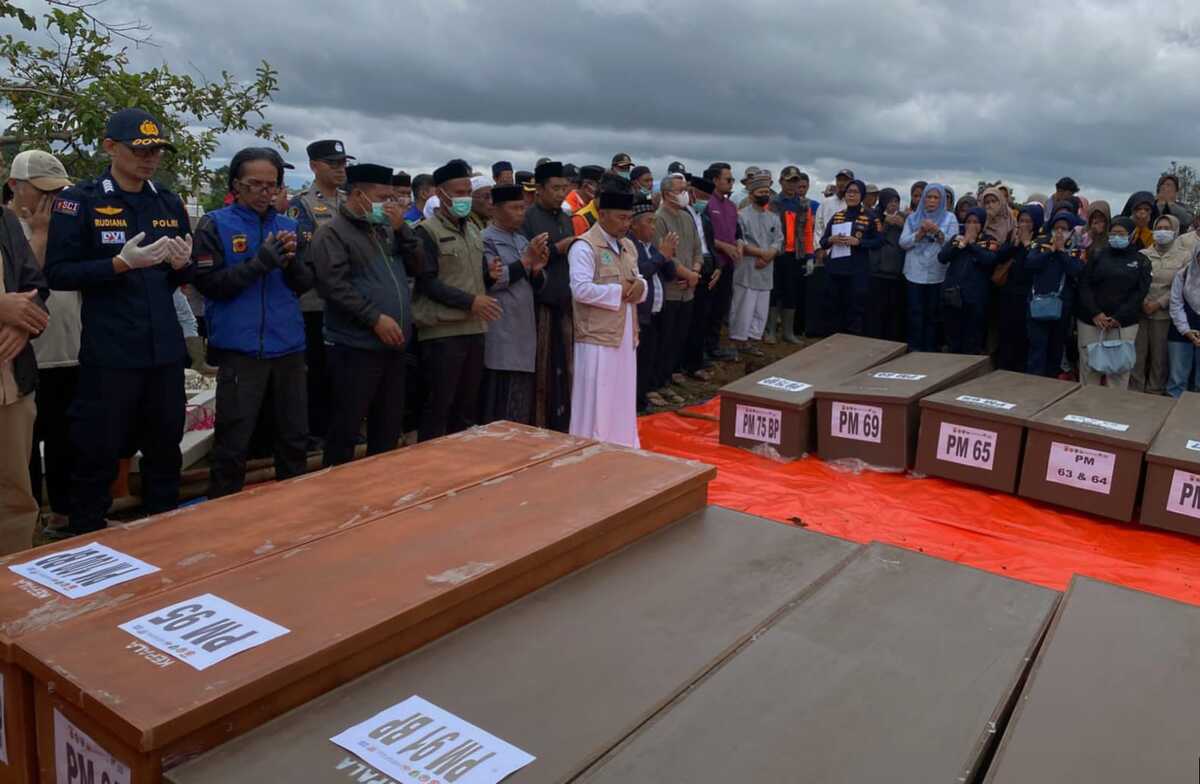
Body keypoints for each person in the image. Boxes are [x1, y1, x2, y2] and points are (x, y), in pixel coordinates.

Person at [45, 107, 193, 537]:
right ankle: (86, 537)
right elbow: (58, 272)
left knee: (166, 450)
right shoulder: (81, 200)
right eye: (140, 149)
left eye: (156, 151)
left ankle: (165, 536)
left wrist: (184, 267)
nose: (149, 158)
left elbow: (182, 278)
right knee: (98, 452)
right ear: (110, 147)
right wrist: (117, 265)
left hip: (164, 351)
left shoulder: (167, 201)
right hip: (110, 354)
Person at [191, 148, 311, 497]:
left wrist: (290, 264)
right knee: (234, 441)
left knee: (294, 437)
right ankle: (223, 512)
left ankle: (296, 508)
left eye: (271, 186)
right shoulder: (215, 224)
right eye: (254, 184)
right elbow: (210, 285)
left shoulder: (289, 226)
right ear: (236, 186)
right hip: (241, 349)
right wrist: (260, 263)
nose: (264, 192)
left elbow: (304, 285)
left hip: (288, 346)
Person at [311, 163, 418, 465]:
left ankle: (379, 494)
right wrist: (374, 318)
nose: (390, 204)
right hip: (354, 348)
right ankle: (340, 496)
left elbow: (420, 268)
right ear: (358, 195)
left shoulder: (386, 230)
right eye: (383, 197)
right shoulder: (332, 233)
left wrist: (403, 231)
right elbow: (334, 287)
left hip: (393, 347)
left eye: (392, 198)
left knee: (387, 428)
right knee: (346, 427)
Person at [9, 151, 76, 536]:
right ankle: (27, 523)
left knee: (67, 438)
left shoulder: (66, 224)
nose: (51, 200)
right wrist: (40, 235)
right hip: (26, 355)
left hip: (69, 348)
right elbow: (24, 286)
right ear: (16, 187)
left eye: (58, 191)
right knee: (25, 448)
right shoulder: (10, 229)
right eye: (42, 191)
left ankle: (63, 514)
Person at [409, 160, 500, 440]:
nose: (463, 197)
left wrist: (490, 277)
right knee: (439, 407)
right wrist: (470, 301)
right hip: (442, 333)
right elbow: (427, 282)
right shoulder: (426, 232)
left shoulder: (472, 229)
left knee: (466, 408)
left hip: (474, 329)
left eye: (466, 192)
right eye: (457, 191)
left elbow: (469, 275)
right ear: (440, 193)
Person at [567, 190, 645, 447]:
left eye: (629, 218)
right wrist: (618, 291)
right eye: (621, 218)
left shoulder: (628, 245)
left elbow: (638, 279)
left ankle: (622, 445)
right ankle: (590, 448)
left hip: (624, 333)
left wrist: (639, 288)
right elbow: (580, 290)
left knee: (621, 396)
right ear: (602, 215)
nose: (626, 224)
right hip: (596, 337)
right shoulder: (584, 246)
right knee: (596, 401)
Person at [290, 139, 351, 450]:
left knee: (345, 371)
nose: (341, 169)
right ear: (314, 166)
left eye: (343, 163)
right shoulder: (301, 205)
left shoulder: (350, 202)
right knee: (317, 370)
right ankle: (317, 431)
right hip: (314, 303)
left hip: (349, 301)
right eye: (333, 164)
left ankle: (343, 427)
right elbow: (301, 257)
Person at [0, 174, 48, 553]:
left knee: (15, 496)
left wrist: (24, 326)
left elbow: (36, 287)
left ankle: (14, 596)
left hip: (11, 385)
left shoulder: (4, 222)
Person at [480, 184, 549, 424]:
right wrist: (527, 260)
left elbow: (535, 283)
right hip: (501, 331)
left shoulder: (521, 239)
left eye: (523, 207)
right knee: (499, 404)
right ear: (496, 209)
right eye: (515, 208)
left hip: (524, 332)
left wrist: (537, 271)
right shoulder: (486, 239)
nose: (521, 213)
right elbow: (495, 280)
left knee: (520, 405)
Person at [521, 160, 576, 431]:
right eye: (555, 188)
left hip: (565, 302)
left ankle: (563, 423)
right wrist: (557, 249)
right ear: (539, 189)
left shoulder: (565, 217)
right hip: (539, 305)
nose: (560, 193)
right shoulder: (528, 218)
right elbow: (527, 260)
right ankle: (539, 426)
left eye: (564, 187)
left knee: (565, 367)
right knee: (542, 370)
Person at [1075, 216, 1152, 388]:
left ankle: (1112, 410)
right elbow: (1085, 285)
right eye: (1113, 233)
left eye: (1121, 233)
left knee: (1118, 372)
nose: (1117, 236)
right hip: (1092, 322)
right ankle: (1084, 407)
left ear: (1131, 235)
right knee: (1089, 370)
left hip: (1124, 324)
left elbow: (1140, 292)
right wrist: (1095, 313)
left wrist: (1119, 317)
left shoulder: (1141, 261)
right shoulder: (1097, 255)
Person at [653, 174, 702, 389]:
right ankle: (659, 380)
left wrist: (694, 272)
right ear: (666, 194)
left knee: (680, 336)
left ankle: (672, 373)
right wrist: (687, 275)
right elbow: (663, 255)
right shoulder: (658, 219)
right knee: (665, 338)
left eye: (685, 189)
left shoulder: (687, 216)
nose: (685, 194)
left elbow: (697, 249)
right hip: (670, 289)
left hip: (688, 289)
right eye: (679, 190)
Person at [1133, 215, 1191, 394]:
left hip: (1164, 314)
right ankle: (1134, 391)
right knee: (1138, 355)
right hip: (1141, 312)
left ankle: (1155, 392)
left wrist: (1159, 303)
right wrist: (1143, 302)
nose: (1162, 231)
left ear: (1175, 231)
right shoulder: (1143, 254)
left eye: (1167, 228)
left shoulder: (1184, 256)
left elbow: (1182, 286)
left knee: (1160, 358)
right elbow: (1135, 282)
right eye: (1159, 227)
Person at [1024, 210, 1084, 378]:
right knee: (1037, 349)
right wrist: (1050, 251)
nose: (1059, 232)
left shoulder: (1076, 249)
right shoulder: (1040, 244)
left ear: (1071, 231)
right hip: (1037, 305)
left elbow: (1076, 270)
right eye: (1056, 228)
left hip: (1061, 309)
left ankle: (1050, 384)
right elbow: (1030, 263)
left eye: (1064, 228)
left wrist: (1060, 252)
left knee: (1055, 350)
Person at [632, 198, 678, 410]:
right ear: (634, 224)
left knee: (652, 357)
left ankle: (646, 394)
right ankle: (636, 402)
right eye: (649, 222)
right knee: (639, 362)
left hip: (657, 312)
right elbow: (641, 272)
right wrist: (661, 256)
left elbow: (668, 276)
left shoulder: (651, 247)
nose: (653, 227)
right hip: (640, 314)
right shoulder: (631, 246)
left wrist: (668, 256)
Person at [900, 183, 957, 351]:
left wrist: (938, 231)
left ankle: (929, 351)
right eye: (928, 197)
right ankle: (914, 349)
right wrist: (919, 234)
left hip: (937, 273)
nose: (931, 201)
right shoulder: (913, 218)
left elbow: (953, 243)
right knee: (915, 313)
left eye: (936, 197)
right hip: (914, 272)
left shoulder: (949, 218)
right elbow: (902, 242)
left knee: (932, 315)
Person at [818, 179, 879, 336]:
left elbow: (879, 241)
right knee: (833, 306)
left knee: (855, 308)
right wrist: (831, 240)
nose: (851, 195)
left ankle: (852, 343)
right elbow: (823, 241)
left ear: (862, 195)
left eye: (855, 192)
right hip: (836, 270)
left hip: (857, 271)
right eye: (849, 192)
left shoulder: (871, 217)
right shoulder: (838, 216)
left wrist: (859, 242)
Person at [732, 173, 781, 355]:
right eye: (761, 191)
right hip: (747, 267)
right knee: (744, 306)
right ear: (751, 194)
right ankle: (739, 341)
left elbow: (778, 240)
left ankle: (753, 340)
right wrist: (762, 254)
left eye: (767, 191)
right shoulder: (741, 216)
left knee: (761, 308)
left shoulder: (773, 217)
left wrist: (769, 256)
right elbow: (740, 240)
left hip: (766, 269)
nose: (765, 194)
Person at [937, 207, 997, 354]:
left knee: (972, 340)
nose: (972, 225)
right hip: (954, 296)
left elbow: (990, 260)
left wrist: (971, 244)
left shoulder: (989, 240)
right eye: (969, 221)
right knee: (953, 338)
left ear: (982, 224)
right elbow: (942, 257)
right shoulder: (957, 238)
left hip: (976, 298)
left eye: (976, 222)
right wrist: (962, 243)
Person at [992, 204, 1043, 372]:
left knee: (1024, 338)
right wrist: (1014, 244)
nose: (1024, 225)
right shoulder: (1012, 239)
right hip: (1008, 295)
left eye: (1029, 221)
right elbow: (998, 258)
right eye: (1021, 220)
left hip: (1028, 297)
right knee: (1006, 335)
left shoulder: (1041, 242)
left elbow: (1034, 266)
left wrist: (1028, 245)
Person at [683, 175, 721, 378]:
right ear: (691, 192)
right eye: (701, 196)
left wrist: (718, 268)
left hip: (708, 270)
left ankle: (699, 358)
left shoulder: (704, 218)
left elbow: (711, 246)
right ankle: (689, 364)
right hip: (691, 270)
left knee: (704, 318)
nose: (704, 202)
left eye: (708, 198)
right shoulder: (683, 215)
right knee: (691, 321)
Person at [771, 166, 814, 344]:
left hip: (796, 255)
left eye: (795, 181)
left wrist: (810, 255)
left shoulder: (804, 205)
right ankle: (771, 331)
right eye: (788, 180)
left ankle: (788, 333)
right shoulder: (772, 202)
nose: (791, 184)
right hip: (775, 253)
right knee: (774, 291)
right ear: (781, 181)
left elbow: (808, 232)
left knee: (791, 292)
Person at [704, 163, 743, 360]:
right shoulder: (706, 204)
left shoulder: (731, 206)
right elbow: (704, 235)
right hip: (712, 263)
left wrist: (738, 244)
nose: (731, 183)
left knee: (721, 307)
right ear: (715, 180)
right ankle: (703, 349)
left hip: (728, 264)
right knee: (708, 307)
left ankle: (714, 346)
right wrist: (724, 246)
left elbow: (736, 231)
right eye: (728, 179)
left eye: (732, 180)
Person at [866, 187, 906, 342]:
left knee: (893, 310)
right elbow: (872, 238)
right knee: (876, 310)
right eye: (890, 201)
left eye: (896, 201)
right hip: (877, 271)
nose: (893, 205)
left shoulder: (904, 218)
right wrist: (885, 222)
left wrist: (902, 224)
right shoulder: (874, 217)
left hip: (896, 271)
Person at [1167, 243, 1200, 397]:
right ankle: (1173, 416)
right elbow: (1176, 304)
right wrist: (1186, 331)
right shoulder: (1183, 274)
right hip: (1180, 332)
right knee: (1177, 379)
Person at [814, 168, 852, 242]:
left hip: (848, 247)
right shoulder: (825, 203)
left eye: (845, 180)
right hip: (827, 247)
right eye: (839, 180)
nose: (842, 183)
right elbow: (818, 228)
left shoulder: (854, 204)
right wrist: (818, 248)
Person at [570, 166, 604, 235]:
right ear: (586, 186)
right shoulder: (567, 207)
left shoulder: (592, 204)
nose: (601, 190)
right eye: (599, 186)